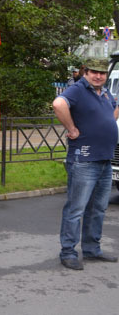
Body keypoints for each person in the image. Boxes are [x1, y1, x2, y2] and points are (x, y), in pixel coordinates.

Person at [52, 57, 119, 270]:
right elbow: (58, 104)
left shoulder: (105, 92)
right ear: (86, 72)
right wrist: (72, 129)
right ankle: (68, 252)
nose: (98, 76)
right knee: (76, 209)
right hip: (84, 160)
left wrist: (107, 123)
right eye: (94, 72)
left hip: (104, 160)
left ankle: (92, 249)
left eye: (102, 73)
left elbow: (113, 110)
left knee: (98, 208)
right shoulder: (79, 89)